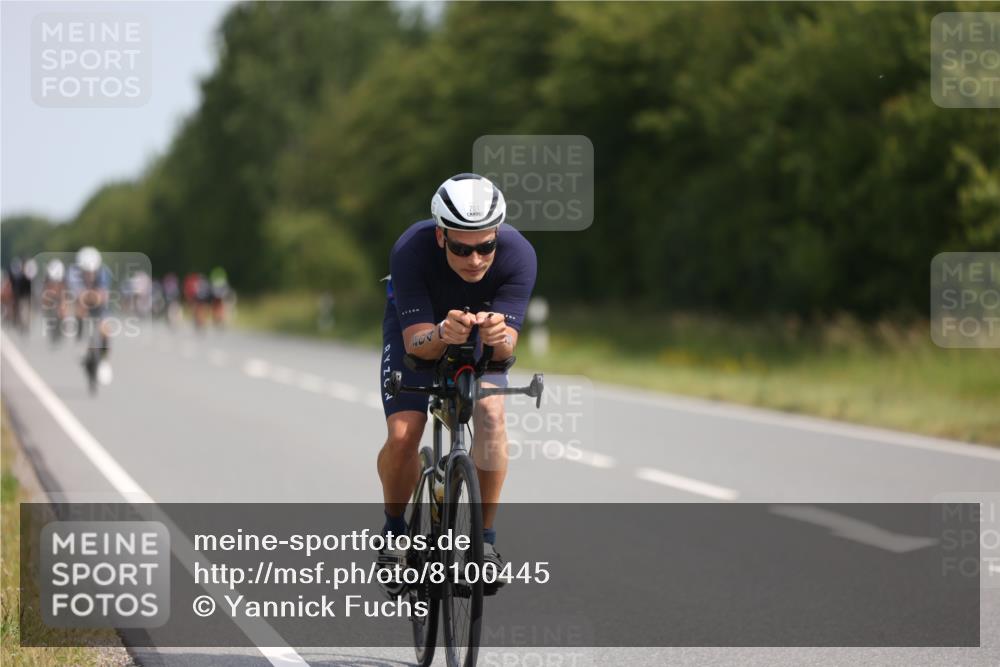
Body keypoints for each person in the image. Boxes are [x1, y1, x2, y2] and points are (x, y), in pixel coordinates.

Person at [376, 173, 537, 595]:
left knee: (492, 414)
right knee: (403, 434)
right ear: (441, 236)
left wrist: (500, 339)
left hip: (480, 336)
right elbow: (417, 346)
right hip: (421, 330)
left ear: (498, 235)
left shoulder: (519, 255)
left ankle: (483, 543)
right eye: (463, 249)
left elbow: (505, 353)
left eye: (486, 246)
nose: (476, 260)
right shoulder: (410, 249)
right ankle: (395, 532)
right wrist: (444, 334)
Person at [68, 246, 113, 386]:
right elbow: (78, 295)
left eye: (92, 272)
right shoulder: (73, 274)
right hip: (82, 302)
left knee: (105, 329)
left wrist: (95, 297)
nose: (89, 275)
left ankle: (104, 360)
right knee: (79, 310)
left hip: (99, 305)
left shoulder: (104, 273)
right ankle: (80, 342)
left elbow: (103, 296)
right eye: (86, 272)